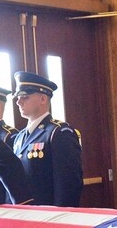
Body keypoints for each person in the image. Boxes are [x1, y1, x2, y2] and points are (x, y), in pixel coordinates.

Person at [11, 70, 83, 206]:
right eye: (18, 97)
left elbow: (68, 185)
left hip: (48, 216)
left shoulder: (58, 133)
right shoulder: (19, 137)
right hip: (24, 214)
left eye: (24, 97)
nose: (18, 102)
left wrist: (61, 217)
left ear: (43, 99)